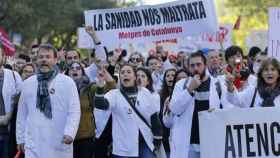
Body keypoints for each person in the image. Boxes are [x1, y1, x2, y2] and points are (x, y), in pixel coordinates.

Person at [16, 44, 81, 158]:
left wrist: (70, 132)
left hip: (59, 142)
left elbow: (74, 111)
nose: (44, 60)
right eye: (41, 57)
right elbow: (22, 114)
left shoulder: (67, 82)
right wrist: (20, 138)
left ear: (56, 60)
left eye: (48, 57)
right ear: (36, 60)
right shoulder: (27, 84)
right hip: (34, 142)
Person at [168, 51, 232, 158]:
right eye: (192, 65)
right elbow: (175, 109)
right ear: (188, 67)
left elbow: (229, 109)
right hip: (189, 144)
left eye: (199, 64)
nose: (196, 68)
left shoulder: (218, 84)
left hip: (211, 143)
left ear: (205, 65)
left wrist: (217, 112)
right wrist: (189, 89)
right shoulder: (181, 85)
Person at [95, 64, 163, 158]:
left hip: (145, 143)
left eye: (128, 72)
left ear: (135, 77)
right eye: (122, 72)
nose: (125, 74)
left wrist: (158, 137)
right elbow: (100, 104)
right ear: (120, 77)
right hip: (124, 148)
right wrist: (100, 86)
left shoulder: (145, 92)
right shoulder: (114, 94)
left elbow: (154, 116)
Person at [65, 62, 116, 158]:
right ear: (67, 73)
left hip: (86, 138)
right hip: (65, 138)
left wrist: (104, 74)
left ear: (83, 73)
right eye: (71, 68)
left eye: (78, 68)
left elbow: (111, 89)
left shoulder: (89, 89)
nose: (75, 70)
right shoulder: (61, 89)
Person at [0, 48, 22, 158]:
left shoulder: (14, 76)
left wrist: (8, 116)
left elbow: (21, 102)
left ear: (3, 57)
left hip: (7, 134)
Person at [159, 68, 176, 157]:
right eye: (168, 76)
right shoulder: (160, 96)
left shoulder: (180, 94)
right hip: (164, 136)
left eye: (173, 75)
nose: (170, 77)